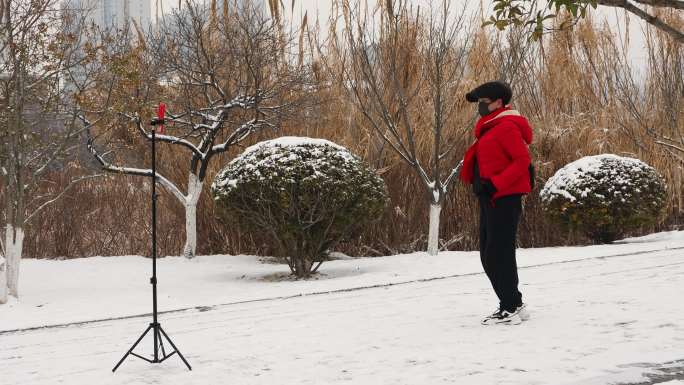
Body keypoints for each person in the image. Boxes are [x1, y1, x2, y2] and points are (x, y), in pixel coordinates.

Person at [459, 81, 533, 325]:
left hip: (503, 198)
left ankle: (509, 306)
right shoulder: (491, 127)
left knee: (496, 254)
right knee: (494, 253)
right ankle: (514, 302)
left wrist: (496, 184)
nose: (480, 107)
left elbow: (522, 161)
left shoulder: (505, 127)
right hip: (490, 198)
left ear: (498, 102)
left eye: (483, 102)